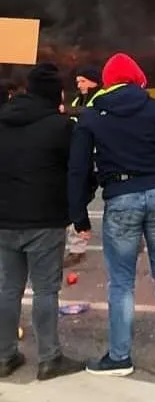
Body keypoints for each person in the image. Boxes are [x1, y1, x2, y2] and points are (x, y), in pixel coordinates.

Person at [68, 53, 155, 375]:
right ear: (137, 77)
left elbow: (79, 169)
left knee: (121, 282)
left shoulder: (92, 115)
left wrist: (78, 214)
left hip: (121, 196)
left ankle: (120, 356)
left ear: (107, 81)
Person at [0, 63, 83, 381]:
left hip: (5, 220)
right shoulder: (60, 126)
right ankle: (49, 358)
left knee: (8, 288)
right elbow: (76, 172)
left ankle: (5, 355)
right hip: (44, 218)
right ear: (55, 93)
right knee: (46, 290)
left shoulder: (2, 120)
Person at [63, 65, 102, 268]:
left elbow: (91, 114)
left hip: (102, 158)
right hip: (83, 157)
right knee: (77, 200)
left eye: (83, 81)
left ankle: (134, 235)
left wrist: (67, 110)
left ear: (94, 81)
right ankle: (77, 247)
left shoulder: (101, 97)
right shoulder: (79, 99)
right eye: (78, 81)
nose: (79, 85)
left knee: (117, 200)